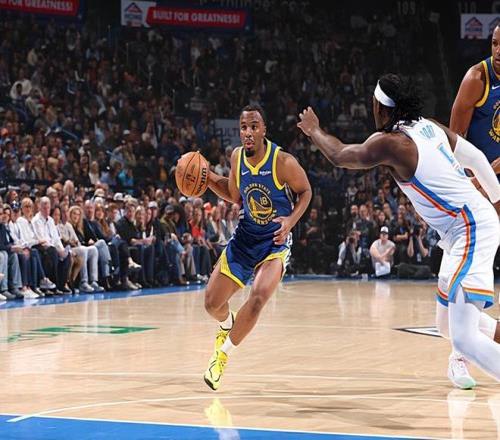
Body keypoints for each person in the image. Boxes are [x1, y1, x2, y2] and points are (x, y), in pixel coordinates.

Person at [297, 74, 500, 386]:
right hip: (462, 229)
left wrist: (314, 130)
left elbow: (338, 155)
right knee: (446, 326)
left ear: (381, 108)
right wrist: (496, 199)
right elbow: (475, 158)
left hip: (470, 228)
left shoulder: (391, 143)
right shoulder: (429, 126)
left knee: (464, 339)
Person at [203, 104, 311, 390]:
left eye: (253, 126)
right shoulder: (236, 157)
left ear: (264, 130)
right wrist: (207, 178)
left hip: (274, 241)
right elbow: (234, 195)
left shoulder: (282, 162)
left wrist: (290, 221)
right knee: (212, 304)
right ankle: (226, 325)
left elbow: (305, 191)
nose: (248, 132)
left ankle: (222, 355)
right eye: (243, 127)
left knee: (259, 296)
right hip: (245, 238)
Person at [448, 25, 500, 387]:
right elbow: (453, 143)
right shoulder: (476, 80)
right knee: (469, 275)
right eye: (495, 42)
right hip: (478, 191)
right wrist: (478, 179)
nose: (498, 50)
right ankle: (459, 355)